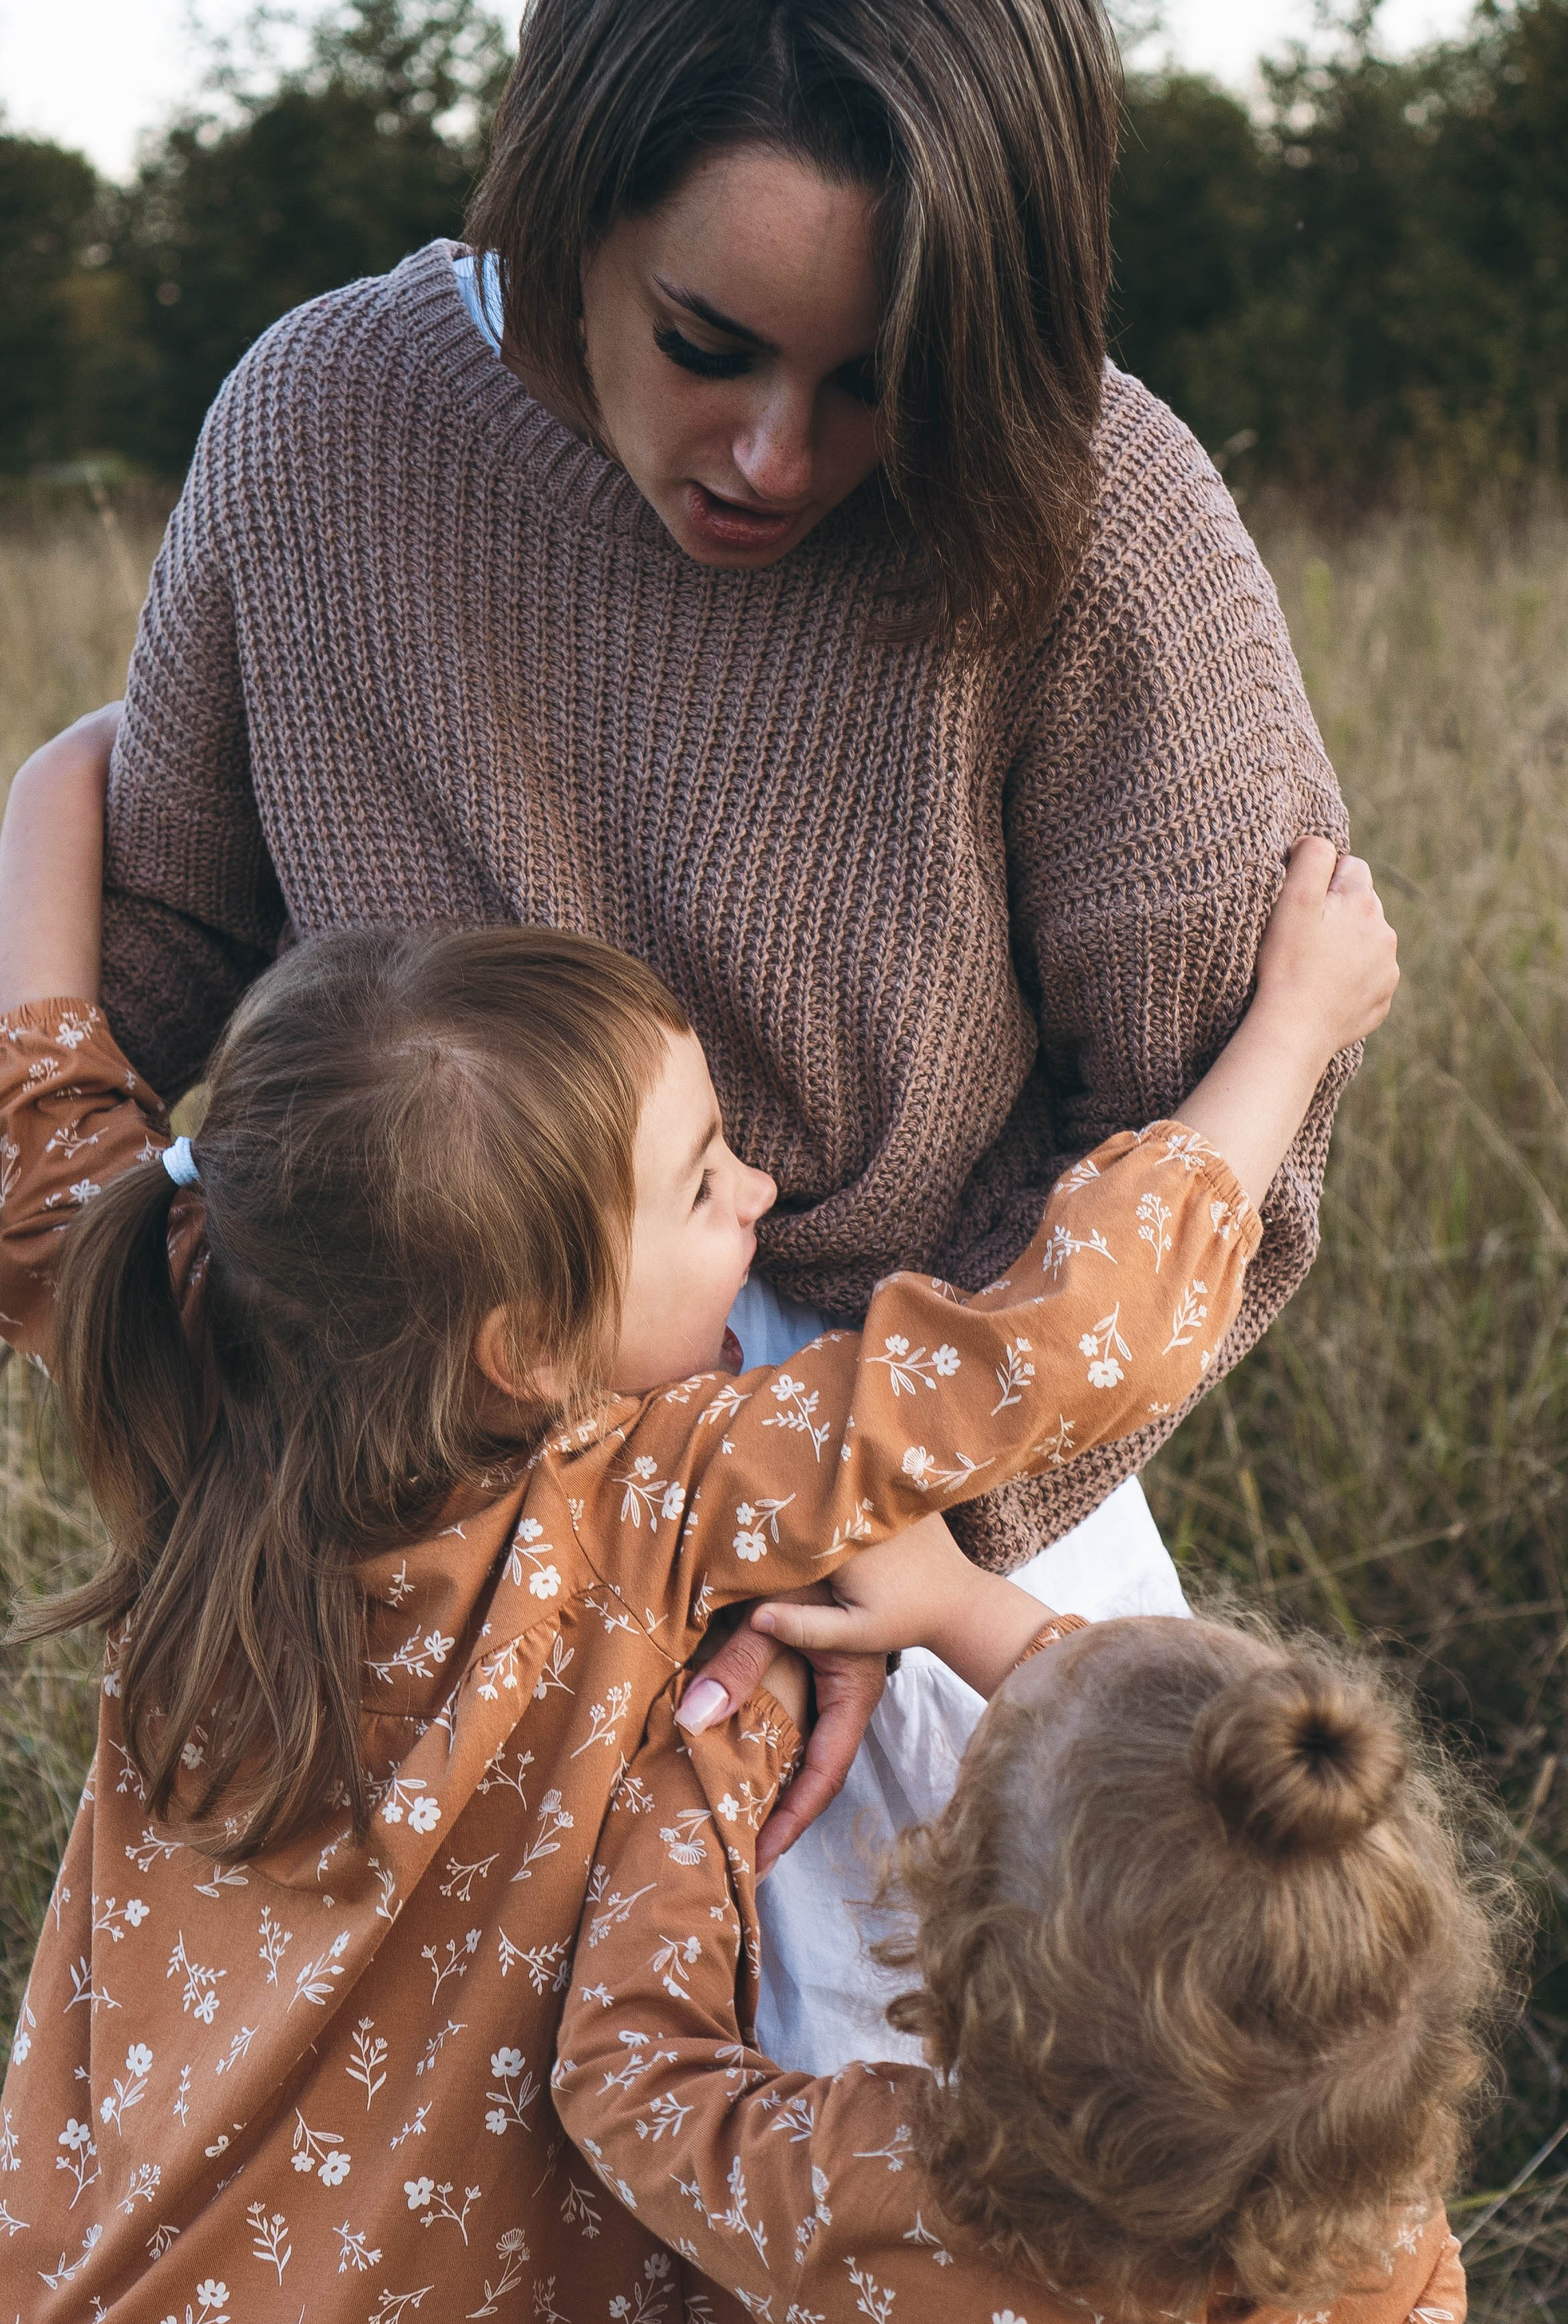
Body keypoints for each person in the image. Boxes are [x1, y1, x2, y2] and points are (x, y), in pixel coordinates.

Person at [0, 716, 1394, 2324]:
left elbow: (49, 1139)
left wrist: (60, 792)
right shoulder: (645, 1494)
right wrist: (1297, 1030)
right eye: (703, 1181)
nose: (760, 1203)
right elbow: (1044, 1353)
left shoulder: (190, 1344)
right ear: (520, 1348)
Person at [99, 0, 1359, 2071]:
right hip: (416, 1499)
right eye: (707, 345)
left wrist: (910, 1553)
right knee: (444, 2229)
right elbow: (167, 929)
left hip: (927, 1465)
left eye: (877, 387)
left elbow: (1207, 1148)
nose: (780, 456)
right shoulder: (325, 419)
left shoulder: (1098, 502)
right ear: (570, 199)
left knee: (925, 2212)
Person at [555, 1537, 1523, 2324]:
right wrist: (962, 1601)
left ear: (962, 1975)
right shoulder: (1373, 2189)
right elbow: (1180, 1822)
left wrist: (736, 1730)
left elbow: (630, 2070)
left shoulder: (874, 2202)